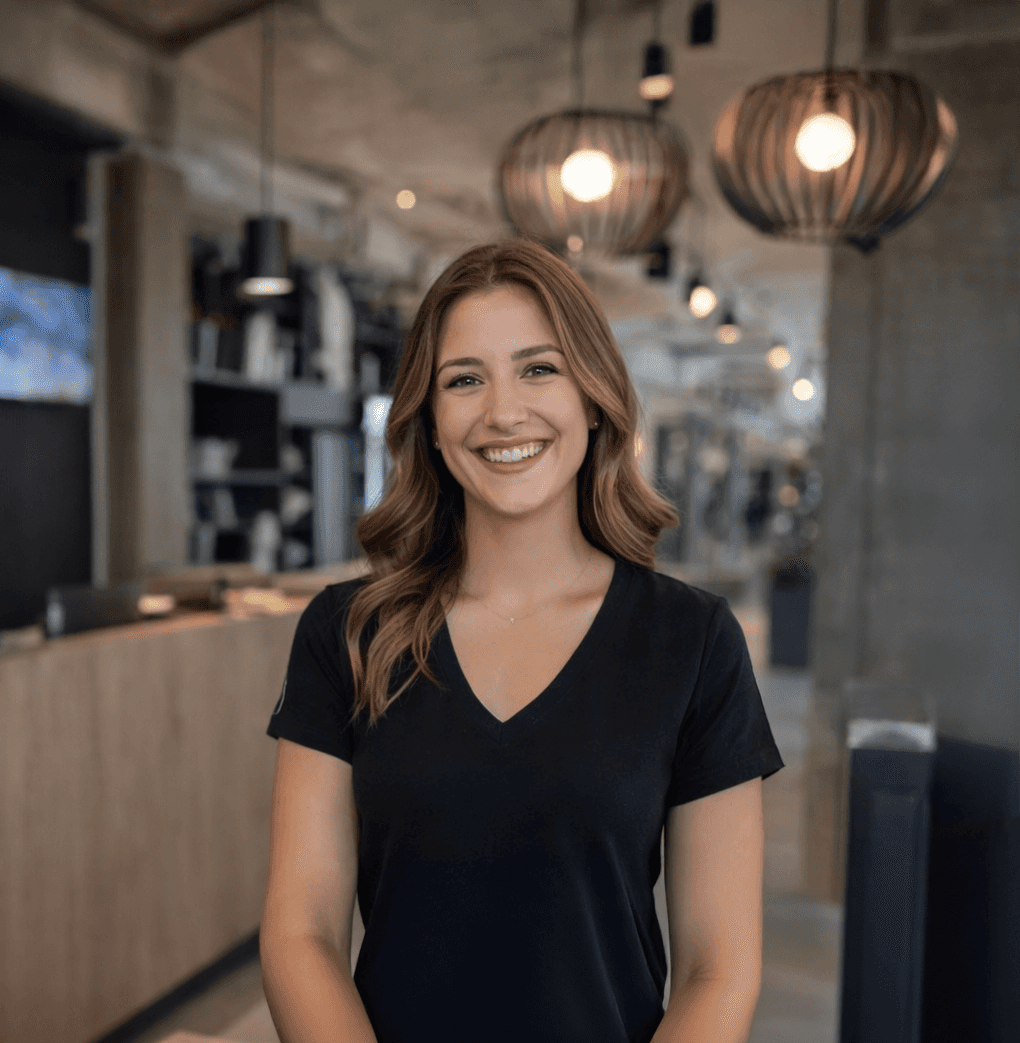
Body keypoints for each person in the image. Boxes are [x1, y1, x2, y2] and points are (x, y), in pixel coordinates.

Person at [260, 238, 785, 1043]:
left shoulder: (693, 641)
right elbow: (302, 933)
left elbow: (718, 970)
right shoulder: (350, 632)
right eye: (464, 379)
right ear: (431, 422)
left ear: (593, 399)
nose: (503, 411)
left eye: (539, 369)